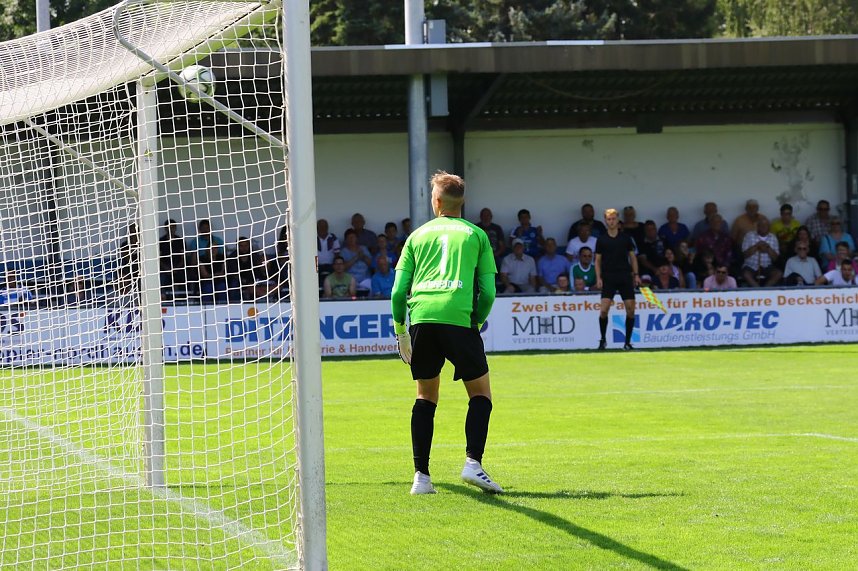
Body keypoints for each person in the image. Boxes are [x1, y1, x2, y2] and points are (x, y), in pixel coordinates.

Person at [391, 171, 501, 495]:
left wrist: (401, 331)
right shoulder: (477, 235)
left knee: (425, 396)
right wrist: (476, 321)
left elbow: (398, 293)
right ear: (461, 202)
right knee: (480, 395)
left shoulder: (417, 236)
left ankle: (421, 478)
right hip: (459, 319)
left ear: (435, 201)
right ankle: (472, 463)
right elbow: (490, 292)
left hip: (423, 319)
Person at [595, 208, 641, 350]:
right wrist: (599, 277)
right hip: (609, 277)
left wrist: (636, 274)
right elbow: (597, 260)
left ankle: (627, 342)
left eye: (613, 218)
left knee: (630, 310)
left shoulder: (625, 238)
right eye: (609, 219)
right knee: (603, 311)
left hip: (625, 276)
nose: (611, 221)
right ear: (605, 221)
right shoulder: (601, 239)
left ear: (618, 220)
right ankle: (603, 339)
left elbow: (632, 257)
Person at [187, 219, 226, 304]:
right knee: (208, 287)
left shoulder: (218, 240)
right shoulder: (195, 242)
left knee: (222, 286)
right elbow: (204, 273)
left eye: (207, 228)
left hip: (217, 267)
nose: (205, 230)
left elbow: (223, 267)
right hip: (202, 268)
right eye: (203, 228)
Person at [226, 237, 271, 301]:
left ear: (249, 245)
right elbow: (233, 273)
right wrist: (246, 282)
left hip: (252, 279)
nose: (244, 248)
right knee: (234, 283)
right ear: (237, 246)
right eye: (241, 246)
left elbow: (258, 270)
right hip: (238, 280)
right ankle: (234, 303)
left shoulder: (254, 255)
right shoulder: (232, 257)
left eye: (246, 245)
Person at [741, 218, 782, 287]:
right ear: (757, 226)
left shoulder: (773, 237)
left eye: (766, 225)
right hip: (751, 266)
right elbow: (744, 255)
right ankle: (758, 290)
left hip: (767, 266)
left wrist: (768, 248)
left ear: (769, 227)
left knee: (778, 274)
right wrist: (756, 246)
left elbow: (776, 258)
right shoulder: (749, 235)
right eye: (761, 225)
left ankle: (765, 290)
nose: (763, 227)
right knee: (746, 274)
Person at [159, 219, 188, 295]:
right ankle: (164, 300)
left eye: (173, 227)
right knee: (162, 279)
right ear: (165, 228)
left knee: (184, 278)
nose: (171, 229)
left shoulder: (180, 241)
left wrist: (176, 268)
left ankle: (182, 300)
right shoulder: (161, 241)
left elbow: (183, 258)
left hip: (178, 269)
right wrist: (166, 269)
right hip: (165, 269)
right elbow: (159, 258)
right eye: (169, 227)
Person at [316, 219, 341, 287]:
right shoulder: (313, 237)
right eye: (321, 226)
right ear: (317, 227)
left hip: (331, 265)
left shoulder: (333, 237)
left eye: (325, 226)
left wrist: (335, 265)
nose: (323, 228)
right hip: (317, 265)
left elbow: (337, 253)